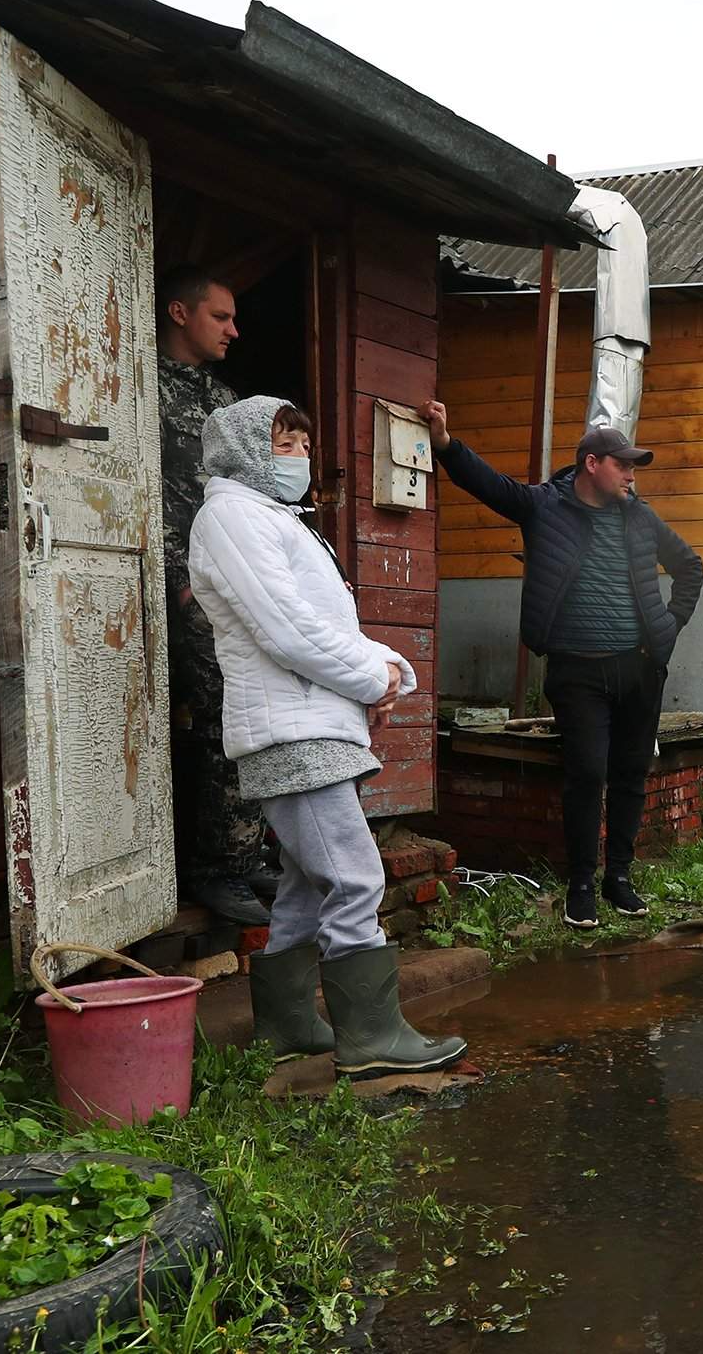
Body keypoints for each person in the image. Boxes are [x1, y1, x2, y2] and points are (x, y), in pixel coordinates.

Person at [188, 395, 466, 1075]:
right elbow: (287, 631)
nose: (302, 458)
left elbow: (326, 629)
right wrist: (375, 678)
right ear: (247, 451)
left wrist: (385, 668)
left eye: (306, 446)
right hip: (292, 730)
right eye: (286, 444)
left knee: (309, 885)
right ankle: (371, 1040)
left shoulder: (270, 518)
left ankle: (286, 1025)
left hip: (309, 721)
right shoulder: (230, 516)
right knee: (352, 873)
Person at [426, 404, 703, 930]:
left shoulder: (640, 517)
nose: (631, 475)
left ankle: (618, 879)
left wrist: (669, 626)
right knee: (586, 774)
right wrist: (445, 445)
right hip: (577, 672)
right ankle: (581, 884)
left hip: (640, 670)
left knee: (629, 775)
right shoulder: (544, 507)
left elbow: (690, 566)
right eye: (624, 466)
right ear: (592, 463)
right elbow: (492, 486)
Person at [157, 266, 270, 927]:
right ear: (179, 312)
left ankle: (243, 853)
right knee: (222, 706)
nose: (234, 329)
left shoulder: (225, 401)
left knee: (247, 704)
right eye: (220, 317)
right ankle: (213, 867)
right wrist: (176, 576)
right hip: (174, 577)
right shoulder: (133, 381)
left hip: (226, 576)